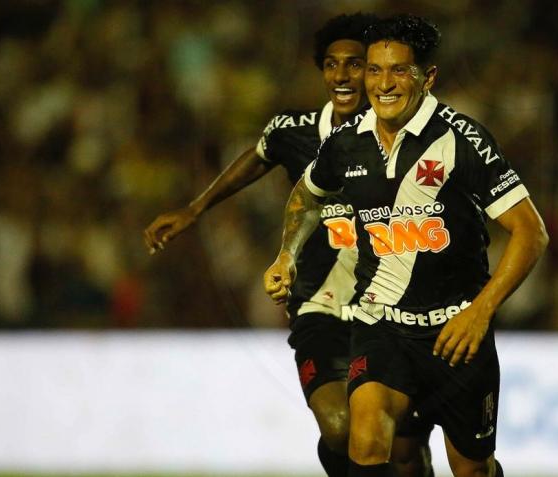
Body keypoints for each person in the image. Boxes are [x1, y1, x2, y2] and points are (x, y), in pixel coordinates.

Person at [144, 13, 433, 477]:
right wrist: (195, 209)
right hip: (318, 303)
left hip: (389, 305)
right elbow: (258, 157)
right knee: (340, 427)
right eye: (332, 65)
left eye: (355, 65)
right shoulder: (293, 130)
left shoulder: (400, 132)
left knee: (403, 449)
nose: (342, 76)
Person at [264, 13, 549, 477]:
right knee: (366, 438)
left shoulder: (462, 140)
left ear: (427, 77)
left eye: (399, 70)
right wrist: (286, 254)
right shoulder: (346, 143)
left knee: (472, 469)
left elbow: (531, 231)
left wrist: (480, 311)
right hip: (382, 325)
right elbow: (307, 193)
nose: (383, 83)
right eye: (374, 70)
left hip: (456, 335)